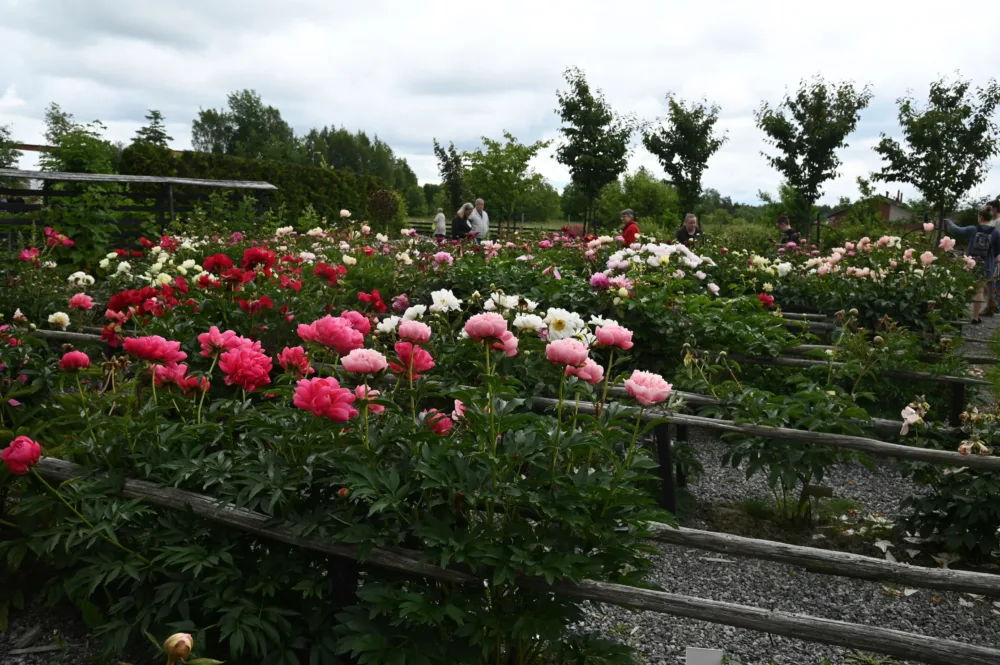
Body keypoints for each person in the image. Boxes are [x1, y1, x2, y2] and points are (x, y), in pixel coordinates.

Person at [946, 207, 1000, 324]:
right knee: (979, 290)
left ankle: (958, 312)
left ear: (980, 217)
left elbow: (957, 229)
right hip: (987, 265)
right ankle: (975, 318)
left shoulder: (972, 229)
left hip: (971, 263)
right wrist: (991, 256)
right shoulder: (996, 232)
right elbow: (998, 249)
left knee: (965, 287)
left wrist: (949, 222)